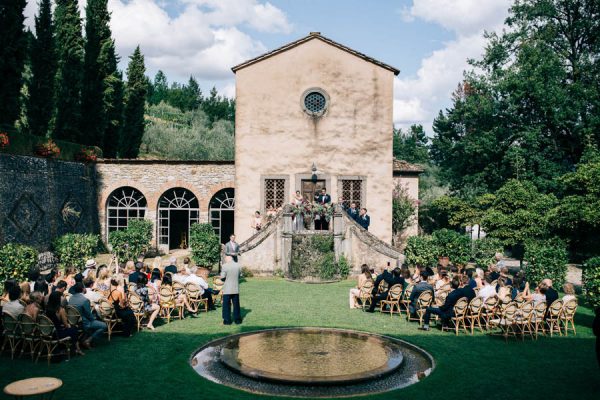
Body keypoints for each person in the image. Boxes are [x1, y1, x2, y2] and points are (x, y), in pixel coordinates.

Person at [46, 291, 84, 355]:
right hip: (58, 334)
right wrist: (70, 326)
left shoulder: (47, 309)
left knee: (72, 329)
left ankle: (68, 348)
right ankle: (77, 349)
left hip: (48, 333)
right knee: (74, 329)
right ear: (58, 299)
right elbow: (66, 325)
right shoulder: (60, 310)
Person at [220, 255, 242, 325]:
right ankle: (237, 320)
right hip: (235, 288)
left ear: (227, 259)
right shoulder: (238, 265)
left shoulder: (224, 266)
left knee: (226, 305)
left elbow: (222, 277)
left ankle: (227, 321)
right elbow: (240, 276)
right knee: (236, 305)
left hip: (227, 289)